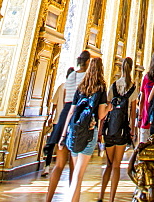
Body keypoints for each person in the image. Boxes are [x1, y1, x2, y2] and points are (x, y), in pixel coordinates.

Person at [61, 56, 110, 202]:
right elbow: (101, 115)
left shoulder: (81, 87)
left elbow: (71, 112)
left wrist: (64, 135)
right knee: (78, 174)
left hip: (74, 131)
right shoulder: (101, 87)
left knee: (76, 172)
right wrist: (109, 108)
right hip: (89, 132)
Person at [43, 51, 90, 202]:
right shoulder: (86, 78)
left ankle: (48, 199)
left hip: (64, 117)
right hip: (76, 118)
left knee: (59, 164)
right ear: (88, 62)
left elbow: (64, 99)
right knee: (74, 165)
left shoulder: (70, 77)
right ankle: (72, 198)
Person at [99, 56, 137, 202]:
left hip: (109, 130)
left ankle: (101, 195)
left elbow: (106, 109)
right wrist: (133, 131)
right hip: (122, 130)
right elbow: (133, 113)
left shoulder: (114, 86)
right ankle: (111, 199)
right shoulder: (133, 87)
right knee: (116, 166)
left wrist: (101, 130)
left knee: (107, 165)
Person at [41, 67, 75, 177]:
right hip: (69, 122)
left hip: (58, 120)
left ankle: (47, 166)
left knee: (52, 143)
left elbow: (54, 103)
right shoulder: (75, 89)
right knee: (68, 145)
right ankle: (71, 168)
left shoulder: (61, 87)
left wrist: (51, 115)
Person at [137, 50, 154, 144]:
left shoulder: (146, 77)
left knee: (143, 148)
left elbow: (142, 99)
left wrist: (140, 117)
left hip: (146, 117)